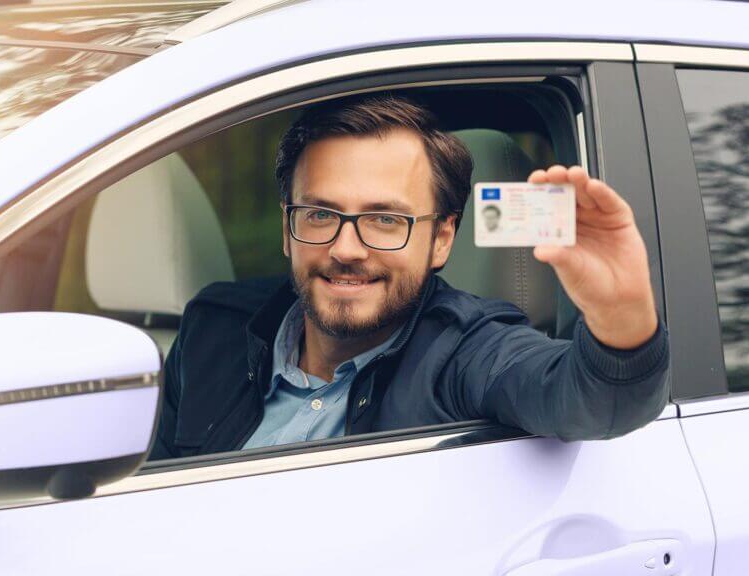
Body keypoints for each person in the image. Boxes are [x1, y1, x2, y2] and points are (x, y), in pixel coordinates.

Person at [149, 93, 668, 459]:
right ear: (288, 227)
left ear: (441, 238)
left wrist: (620, 312)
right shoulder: (212, 328)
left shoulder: (467, 351)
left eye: (385, 220)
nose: (345, 249)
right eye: (320, 214)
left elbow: (598, 403)